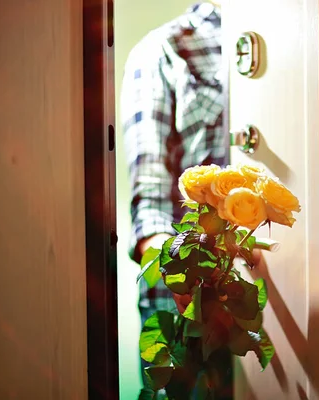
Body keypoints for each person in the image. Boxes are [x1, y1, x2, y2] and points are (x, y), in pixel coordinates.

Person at [120, 2, 228, 399]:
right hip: (182, 298)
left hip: (257, 297)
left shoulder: (294, 49)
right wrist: (181, 278)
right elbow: (150, 202)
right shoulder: (164, 50)